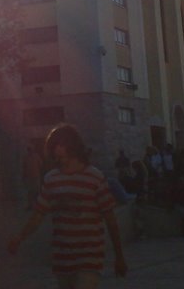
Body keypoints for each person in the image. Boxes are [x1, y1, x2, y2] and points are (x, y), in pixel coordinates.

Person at [8, 123, 127, 287]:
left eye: (60, 145)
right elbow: (38, 215)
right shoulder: (51, 179)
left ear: (72, 146)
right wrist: (19, 237)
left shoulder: (95, 177)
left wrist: (119, 256)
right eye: (53, 146)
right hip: (63, 259)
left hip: (89, 258)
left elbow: (111, 220)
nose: (56, 151)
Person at [23, 144, 43, 210]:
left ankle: (38, 205)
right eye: (29, 149)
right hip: (29, 177)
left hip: (36, 176)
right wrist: (23, 175)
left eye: (30, 149)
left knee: (37, 191)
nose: (29, 151)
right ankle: (30, 205)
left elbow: (41, 165)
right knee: (30, 191)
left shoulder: (36, 156)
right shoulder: (26, 157)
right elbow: (24, 167)